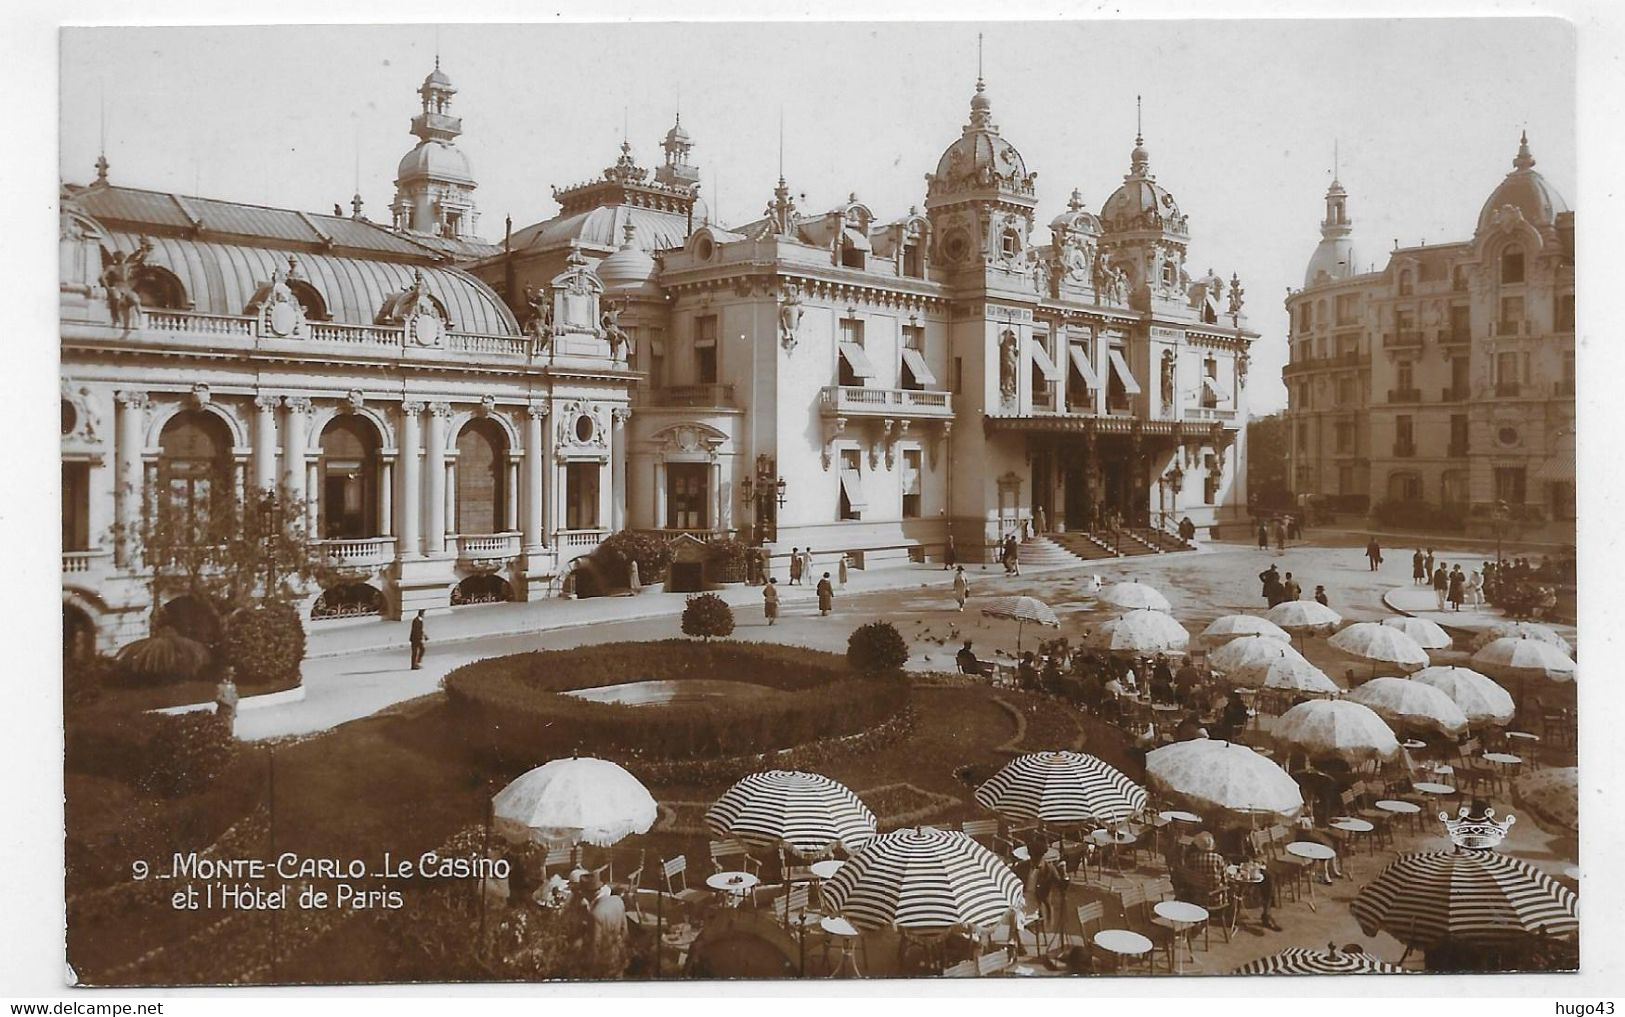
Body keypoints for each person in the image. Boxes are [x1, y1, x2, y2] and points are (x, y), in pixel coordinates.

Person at [582, 872, 628, 978]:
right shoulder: (618, 900)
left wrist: (590, 971)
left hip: (604, 963)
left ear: (586, 893)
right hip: (618, 956)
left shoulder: (595, 914)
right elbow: (625, 931)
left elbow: (595, 946)